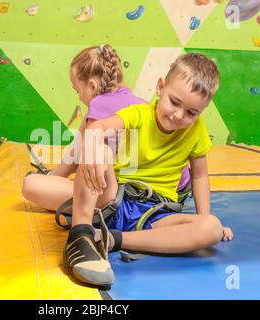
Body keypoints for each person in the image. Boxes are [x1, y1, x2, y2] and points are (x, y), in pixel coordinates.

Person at [63, 52, 234, 287]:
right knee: (98, 149)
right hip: (116, 199)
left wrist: (203, 217)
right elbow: (100, 127)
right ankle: (80, 233)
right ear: (161, 87)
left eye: (192, 113)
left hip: (156, 212)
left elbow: (200, 175)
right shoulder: (139, 113)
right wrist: (92, 140)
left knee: (211, 228)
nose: (178, 115)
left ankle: (112, 238)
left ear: (202, 111)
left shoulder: (196, 131)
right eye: (174, 102)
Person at [22, 44, 146, 211]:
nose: (79, 97)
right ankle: (55, 176)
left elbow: (82, 157)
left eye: (77, 91)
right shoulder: (136, 101)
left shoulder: (99, 105)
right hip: (147, 190)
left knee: (30, 184)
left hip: (118, 196)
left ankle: (55, 177)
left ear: (92, 86)